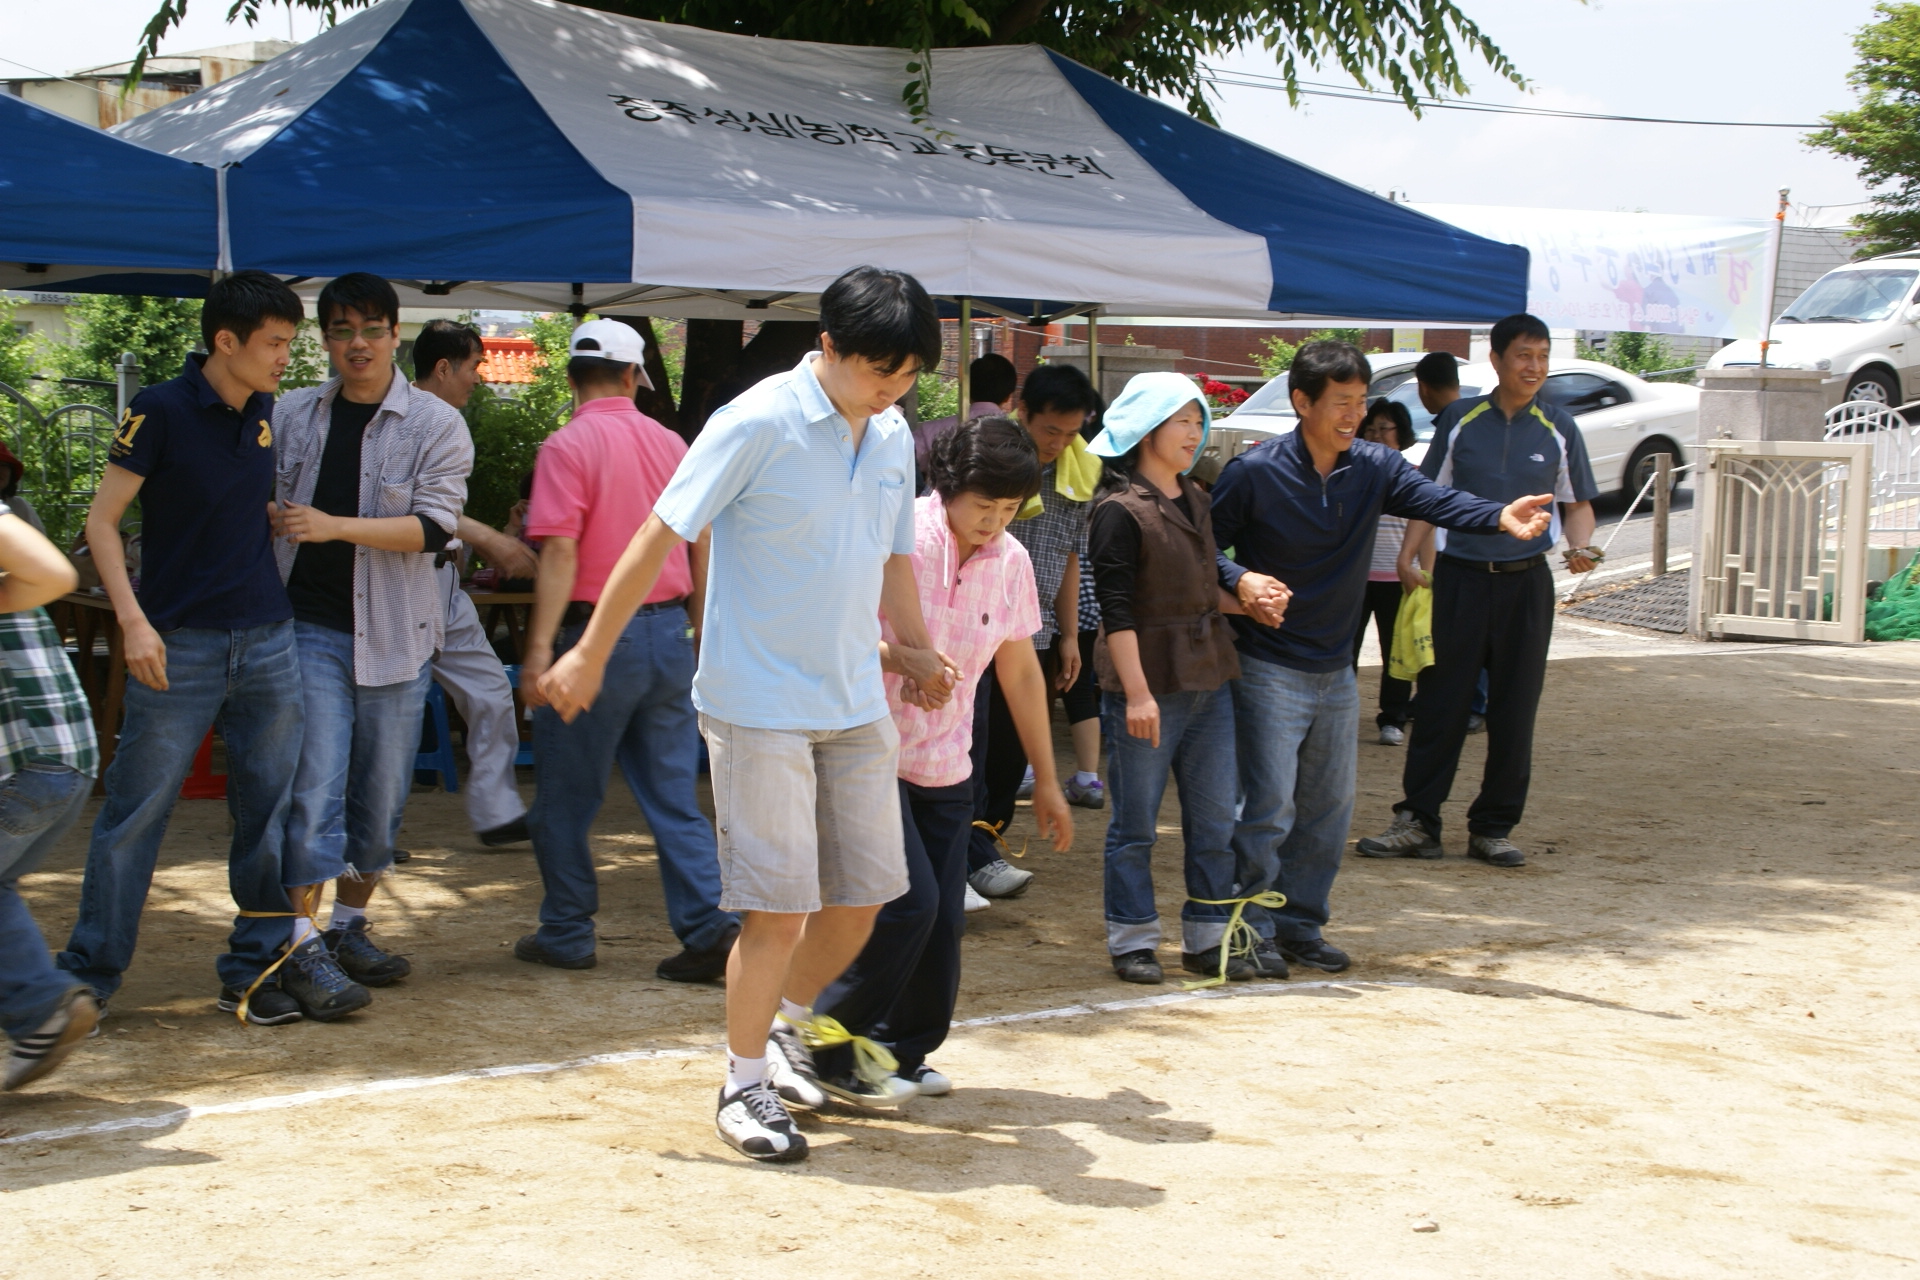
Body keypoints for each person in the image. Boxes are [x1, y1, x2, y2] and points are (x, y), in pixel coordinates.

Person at [538, 266, 955, 1164]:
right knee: (779, 910)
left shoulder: (888, 435)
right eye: (880, 370)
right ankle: (742, 1083)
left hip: (851, 698)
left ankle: (786, 1028)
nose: (893, 390)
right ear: (830, 347)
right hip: (756, 699)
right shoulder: (755, 420)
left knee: (867, 899)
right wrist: (589, 649)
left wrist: (915, 650)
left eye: (909, 375)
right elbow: (660, 533)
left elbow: (891, 561)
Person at [1211, 340, 1553, 976]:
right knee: (1266, 808)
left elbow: (1438, 502)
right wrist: (1240, 581)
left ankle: (1299, 926)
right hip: (1266, 667)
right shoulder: (1254, 472)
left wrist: (1499, 515)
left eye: (1360, 401)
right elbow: (1201, 548)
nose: (1353, 415)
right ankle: (1248, 928)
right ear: (1301, 402)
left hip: (1336, 670)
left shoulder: (1374, 465)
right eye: (1340, 403)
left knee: (1327, 809)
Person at [57, 271, 318, 1028]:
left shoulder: (262, 408)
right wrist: (134, 623)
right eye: (274, 344)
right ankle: (86, 980)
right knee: (136, 814)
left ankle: (254, 972)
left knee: (266, 814)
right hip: (180, 645)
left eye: (289, 345)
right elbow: (102, 523)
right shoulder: (159, 409)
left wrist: (267, 515)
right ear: (225, 341)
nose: (283, 360)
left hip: (269, 638)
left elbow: (221, 502)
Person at [809, 417, 1072, 1099]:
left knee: (944, 923)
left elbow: (1019, 673)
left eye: (1009, 509)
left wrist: (1047, 778)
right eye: (983, 505)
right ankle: (820, 1047)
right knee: (907, 906)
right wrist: (903, 659)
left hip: (948, 767)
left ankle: (900, 1050)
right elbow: (833, 637)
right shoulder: (898, 541)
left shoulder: (1011, 561)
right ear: (947, 487)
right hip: (868, 753)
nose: (993, 522)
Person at [270, 272, 473, 1015]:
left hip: (396, 633)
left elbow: (434, 528)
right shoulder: (291, 415)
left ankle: (349, 927)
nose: (357, 344)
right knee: (312, 791)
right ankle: (299, 944)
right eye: (341, 331)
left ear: (395, 336)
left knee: (379, 805)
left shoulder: (435, 425)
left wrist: (332, 525)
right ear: (325, 340)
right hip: (306, 628)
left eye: (371, 330)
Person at [514, 319, 737, 983]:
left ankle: (567, 930)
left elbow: (559, 551)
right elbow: (703, 543)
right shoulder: (672, 443)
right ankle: (707, 928)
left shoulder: (566, 445)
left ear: (570, 377)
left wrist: (536, 652)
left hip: (591, 639)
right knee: (673, 795)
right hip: (669, 635)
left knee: (563, 799)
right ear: (636, 376)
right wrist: (701, 633)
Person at [1360, 314, 1599, 869]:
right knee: (1441, 705)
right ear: (1496, 359)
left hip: (1527, 586)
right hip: (1460, 581)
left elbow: (1577, 502)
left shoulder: (1560, 425)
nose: (1534, 366)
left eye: (1542, 356)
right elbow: (1428, 495)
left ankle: (1493, 828)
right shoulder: (1461, 420)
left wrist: (1580, 547)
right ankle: (1418, 821)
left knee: (1515, 712)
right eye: (1523, 355)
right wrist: (1407, 556)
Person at [1085, 374, 1258, 985]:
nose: (1195, 431)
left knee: (1215, 823)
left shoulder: (1198, 497)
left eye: (1198, 419)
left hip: (1209, 675)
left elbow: (1200, 583)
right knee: (1134, 826)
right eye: (1182, 419)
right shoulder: (1116, 509)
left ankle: (1209, 937)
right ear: (1147, 426)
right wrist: (1135, 693)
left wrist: (1248, 596)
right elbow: (1117, 607)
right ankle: (1132, 938)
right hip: (1149, 681)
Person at [966, 362, 1104, 901]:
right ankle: (968, 853)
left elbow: (1070, 555)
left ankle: (986, 845)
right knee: (971, 745)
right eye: (1051, 430)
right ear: (1023, 411)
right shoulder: (996, 464)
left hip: (1037, 634)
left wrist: (1070, 635)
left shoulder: (1080, 473)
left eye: (1071, 433)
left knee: (1009, 749)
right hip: (979, 633)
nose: (1059, 443)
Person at [411, 319, 534, 848]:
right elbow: (413, 504)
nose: (479, 379)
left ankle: (496, 811)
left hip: (445, 585)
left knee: (489, 691)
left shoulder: (441, 421)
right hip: (400, 585)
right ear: (443, 368)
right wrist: (492, 538)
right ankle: (359, 831)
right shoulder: (400, 418)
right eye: (473, 367)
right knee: (383, 710)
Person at [0, 506, 100, 1089]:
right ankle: (42, 1010)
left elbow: (52, 571)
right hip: (63, 759)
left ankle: (44, 1009)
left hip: (30, 763)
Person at [1411, 351, 1487, 735]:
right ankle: (1468, 699)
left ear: (1423, 388)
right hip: (1484, 542)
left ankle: (1473, 702)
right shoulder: (1481, 419)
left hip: (1461, 547)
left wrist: (1408, 552)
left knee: (1463, 633)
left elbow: (1427, 494)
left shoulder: (1454, 423)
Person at [1351, 399, 1425, 746]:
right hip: (1354, 579)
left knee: (1394, 652)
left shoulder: (1412, 477)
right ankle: (1340, 714)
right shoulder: (1350, 475)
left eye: (1385, 428)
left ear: (1401, 433)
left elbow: (1427, 528)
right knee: (1343, 649)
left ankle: (1393, 717)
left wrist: (1426, 574)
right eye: (1371, 429)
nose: (1377, 435)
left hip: (1398, 580)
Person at [912, 352, 1015, 486]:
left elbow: (906, 460)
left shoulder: (930, 431)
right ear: (1008, 396)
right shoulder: (1017, 437)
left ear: (966, 388)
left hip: (943, 503)